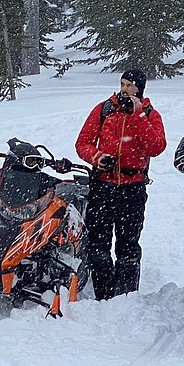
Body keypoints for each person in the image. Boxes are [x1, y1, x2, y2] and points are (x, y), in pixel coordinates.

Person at [74, 69, 167, 300]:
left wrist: (138, 117)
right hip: (103, 185)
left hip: (133, 187)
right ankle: (103, 294)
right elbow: (83, 143)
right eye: (122, 84)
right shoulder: (105, 109)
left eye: (130, 85)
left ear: (140, 88)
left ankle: (126, 296)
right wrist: (98, 157)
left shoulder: (150, 114)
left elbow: (156, 147)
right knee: (98, 243)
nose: (125, 89)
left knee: (128, 244)